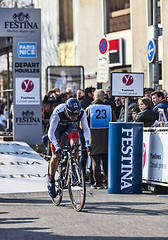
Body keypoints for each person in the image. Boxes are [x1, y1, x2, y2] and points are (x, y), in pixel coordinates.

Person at [48, 98, 91, 198]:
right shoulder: (59, 112)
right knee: (55, 156)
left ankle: (73, 166)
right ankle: (51, 179)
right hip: (56, 129)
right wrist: (57, 146)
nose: (74, 117)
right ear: (67, 111)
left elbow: (86, 129)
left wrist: (88, 143)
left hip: (69, 126)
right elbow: (51, 133)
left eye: (76, 114)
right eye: (72, 114)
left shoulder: (82, 112)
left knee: (76, 145)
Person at [86, 89, 116, 189]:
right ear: (103, 98)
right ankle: (107, 181)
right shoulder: (109, 109)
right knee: (106, 161)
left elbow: (83, 125)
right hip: (107, 138)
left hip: (93, 139)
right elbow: (114, 122)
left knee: (95, 162)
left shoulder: (89, 109)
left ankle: (97, 182)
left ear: (94, 97)